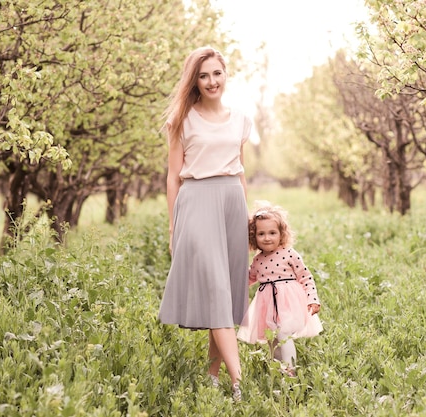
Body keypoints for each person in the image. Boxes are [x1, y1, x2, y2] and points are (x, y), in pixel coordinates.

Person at [157, 46, 252, 401]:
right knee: (214, 288)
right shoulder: (182, 119)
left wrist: (248, 222)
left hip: (231, 203)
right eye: (203, 75)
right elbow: (172, 178)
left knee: (224, 295)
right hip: (196, 202)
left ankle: (212, 376)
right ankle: (239, 383)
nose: (211, 81)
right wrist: (173, 226)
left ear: (225, 75)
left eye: (216, 73)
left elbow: (241, 170)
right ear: (194, 80)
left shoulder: (241, 118)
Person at [237, 203, 323, 377]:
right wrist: (233, 278)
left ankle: (290, 369)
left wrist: (313, 298)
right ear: (254, 237)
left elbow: (305, 276)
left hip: (289, 302)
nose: (267, 238)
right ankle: (278, 369)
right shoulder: (258, 260)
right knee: (273, 338)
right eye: (261, 234)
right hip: (268, 305)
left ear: (281, 234)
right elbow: (249, 278)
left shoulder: (289, 253)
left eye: (272, 233)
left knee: (284, 333)